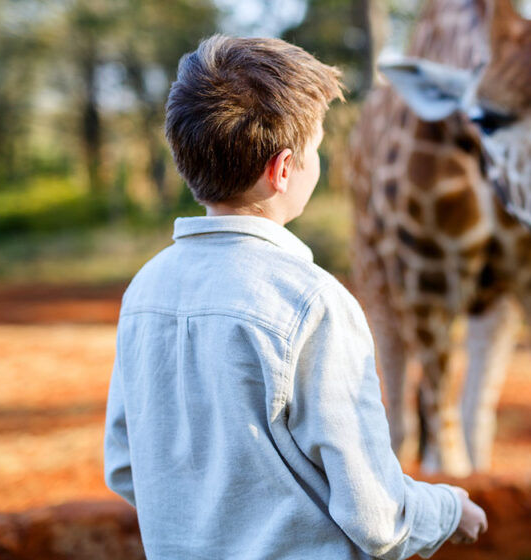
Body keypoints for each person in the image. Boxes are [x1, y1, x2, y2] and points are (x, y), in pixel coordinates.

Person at [104, 35, 487, 560]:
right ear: (283, 169)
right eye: (316, 149)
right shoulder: (314, 304)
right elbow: (377, 518)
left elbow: (127, 467)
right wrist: (448, 509)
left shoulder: (144, 290)